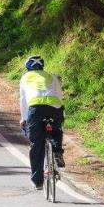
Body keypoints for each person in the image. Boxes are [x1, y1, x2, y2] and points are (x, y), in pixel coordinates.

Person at [19, 54, 65, 190]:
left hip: (36, 108)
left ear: (27, 67)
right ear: (42, 66)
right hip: (54, 107)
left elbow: (23, 100)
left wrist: (24, 118)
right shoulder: (52, 76)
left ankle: (38, 181)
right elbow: (59, 95)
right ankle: (57, 152)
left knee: (36, 144)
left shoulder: (25, 77)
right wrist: (61, 116)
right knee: (56, 130)